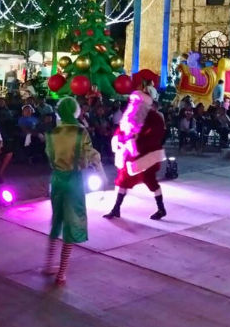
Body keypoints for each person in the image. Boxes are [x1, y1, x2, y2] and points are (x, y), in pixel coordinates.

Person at [42, 96, 102, 286]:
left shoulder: (52, 133)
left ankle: (48, 264)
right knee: (72, 222)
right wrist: (99, 170)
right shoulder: (80, 131)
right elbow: (91, 154)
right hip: (74, 179)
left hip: (57, 178)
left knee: (57, 219)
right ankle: (61, 273)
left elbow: (50, 156)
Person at [104, 91, 168, 221]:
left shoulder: (154, 118)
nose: (134, 105)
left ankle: (161, 209)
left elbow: (156, 136)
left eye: (137, 102)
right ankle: (116, 208)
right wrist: (118, 138)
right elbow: (121, 129)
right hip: (129, 155)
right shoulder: (129, 115)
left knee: (150, 180)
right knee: (123, 180)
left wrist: (137, 144)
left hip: (147, 156)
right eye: (132, 102)